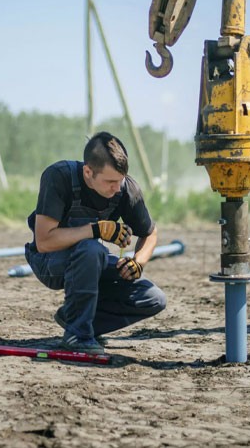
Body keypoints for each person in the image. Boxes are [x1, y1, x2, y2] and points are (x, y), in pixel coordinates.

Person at [25, 131, 166, 355]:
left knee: (152, 298)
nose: (117, 188)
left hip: (92, 261)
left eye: (120, 180)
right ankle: (77, 335)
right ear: (88, 172)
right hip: (49, 262)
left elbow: (150, 233)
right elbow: (44, 241)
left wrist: (137, 262)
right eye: (110, 181)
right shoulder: (59, 177)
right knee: (92, 248)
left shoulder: (126, 190)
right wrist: (96, 229)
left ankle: (75, 318)